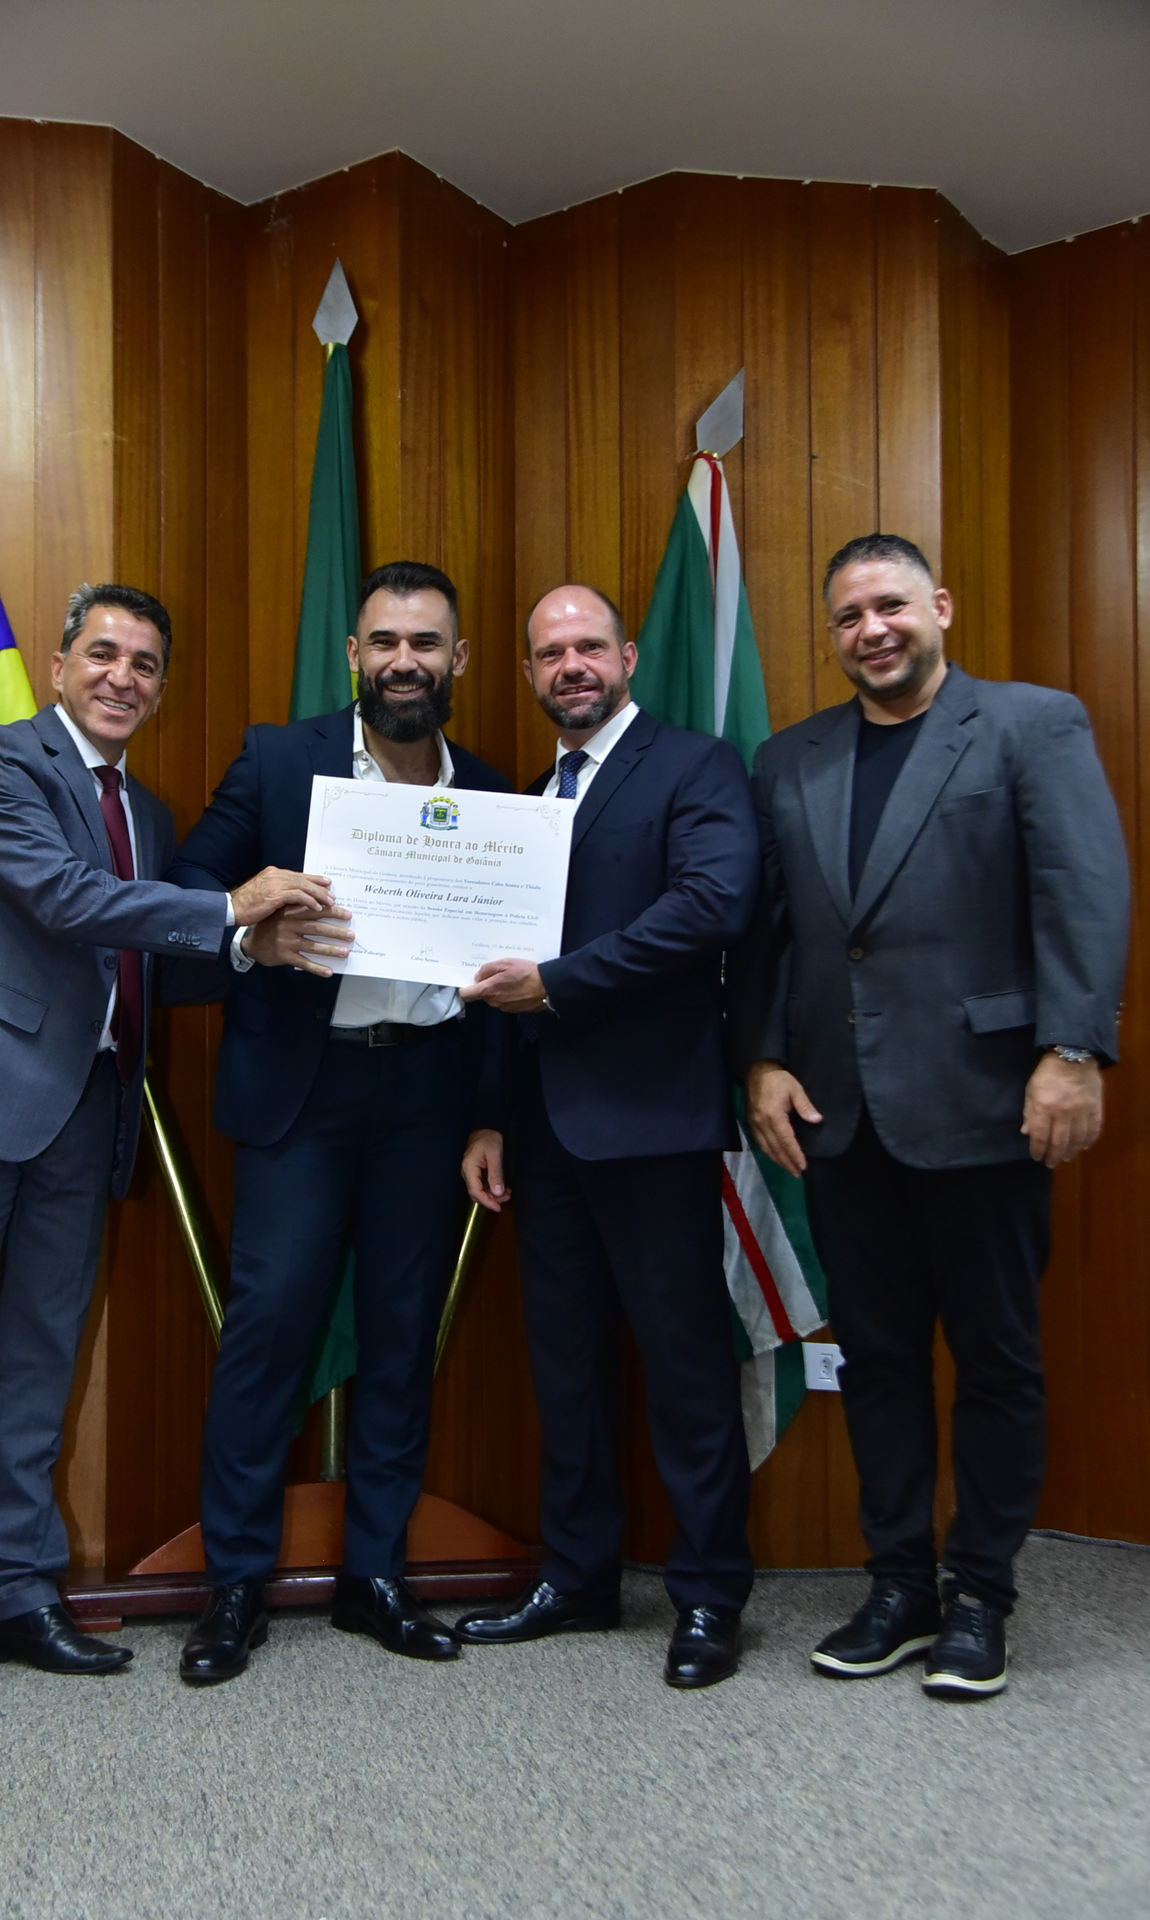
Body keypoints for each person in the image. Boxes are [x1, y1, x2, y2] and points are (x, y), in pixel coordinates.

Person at [0, 583, 308, 1729]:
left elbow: (149, 948)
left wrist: (259, 950)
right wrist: (228, 909)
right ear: (60, 665)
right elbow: (68, 901)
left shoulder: (146, 814)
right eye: (104, 654)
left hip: (89, 1107)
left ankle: (15, 1595)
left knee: (38, 1357)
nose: (123, 677)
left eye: (146, 664)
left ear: (160, 689)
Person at [729, 533, 1129, 1699]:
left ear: (938, 606)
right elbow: (770, 935)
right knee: (877, 1362)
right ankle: (899, 1585)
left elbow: (1081, 889)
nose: (872, 631)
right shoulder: (789, 759)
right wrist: (760, 1060)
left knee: (997, 1361)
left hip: (988, 1104)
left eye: (890, 606)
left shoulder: (1028, 725)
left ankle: (982, 1595)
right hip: (837, 1115)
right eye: (848, 617)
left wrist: (1071, 1052)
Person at [167, 560, 511, 1683]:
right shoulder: (279, 760)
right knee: (267, 1332)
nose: (405, 662)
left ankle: (374, 1578)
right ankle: (233, 1585)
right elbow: (187, 890)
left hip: (427, 1094)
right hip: (303, 1093)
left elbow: (511, 977)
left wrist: (489, 1114)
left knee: (403, 1338)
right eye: (385, 643)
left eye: (426, 643)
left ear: (458, 660)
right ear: (353, 656)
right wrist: (251, 929)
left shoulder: (493, 794)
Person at [456, 584, 760, 1690]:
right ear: (529, 674)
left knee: (684, 1366)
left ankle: (710, 1594)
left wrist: (562, 982)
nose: (571, 666)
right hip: (543, 1133)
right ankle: (578, 1577)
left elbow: (712, 907)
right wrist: (493, 1114)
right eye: (550, 653)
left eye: (589, 646)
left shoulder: (695, 766)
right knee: (567, 1367)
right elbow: (498, 969)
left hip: (653, 1123)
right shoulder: (529, 800)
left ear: (627, 657)